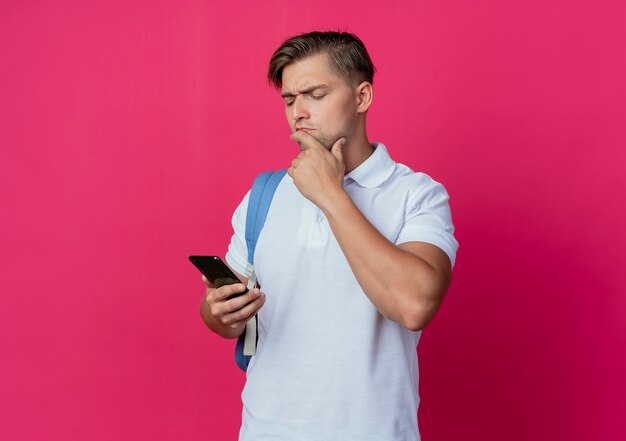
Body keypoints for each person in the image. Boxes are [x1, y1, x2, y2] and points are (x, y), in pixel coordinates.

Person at [200, 31, 459, 441]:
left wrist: (331, 196)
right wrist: (219, 314)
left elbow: (415, 305)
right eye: (289, 99)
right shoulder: (264, 195)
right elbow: (224, 321)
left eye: (315, 94)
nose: (298, 111)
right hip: (265, 431)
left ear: (362, 97)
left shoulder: (417, 194)